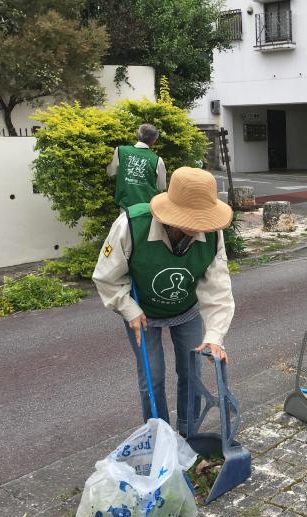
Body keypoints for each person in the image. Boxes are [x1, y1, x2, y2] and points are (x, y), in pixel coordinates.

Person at [93, 167, 234, 433]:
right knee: (152, 376)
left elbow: (218, 288)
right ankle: (159, 436)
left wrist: (215, 335)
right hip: (142, 312)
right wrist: (128, 309)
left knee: (192, 372)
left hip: (187, 308)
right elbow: (106, 276)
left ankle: (188, 431)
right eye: (191, 220)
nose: (198, 228)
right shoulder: (131, 225)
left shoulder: (212, 232)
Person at [107, 123, 167, 209]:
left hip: (125, 206)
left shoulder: (120, 150)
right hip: (146, 209)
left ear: (138, 135)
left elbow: (111, 172)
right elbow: (161, 187)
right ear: (154, 140)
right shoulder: (157, 160)